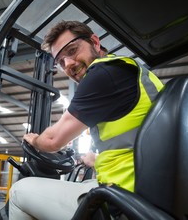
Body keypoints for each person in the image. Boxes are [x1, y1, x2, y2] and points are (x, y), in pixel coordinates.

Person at [9, 20, 164, 220]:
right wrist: (95, 161)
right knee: (81, 186)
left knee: (18, 191)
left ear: (95, 42)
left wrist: (34, 140)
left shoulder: (103, 73)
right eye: (61, 62)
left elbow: (52, 141)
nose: (69, 65)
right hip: (148, 189)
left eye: (72, 51)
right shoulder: (131, 71)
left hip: (128, 200)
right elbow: (134, 147)